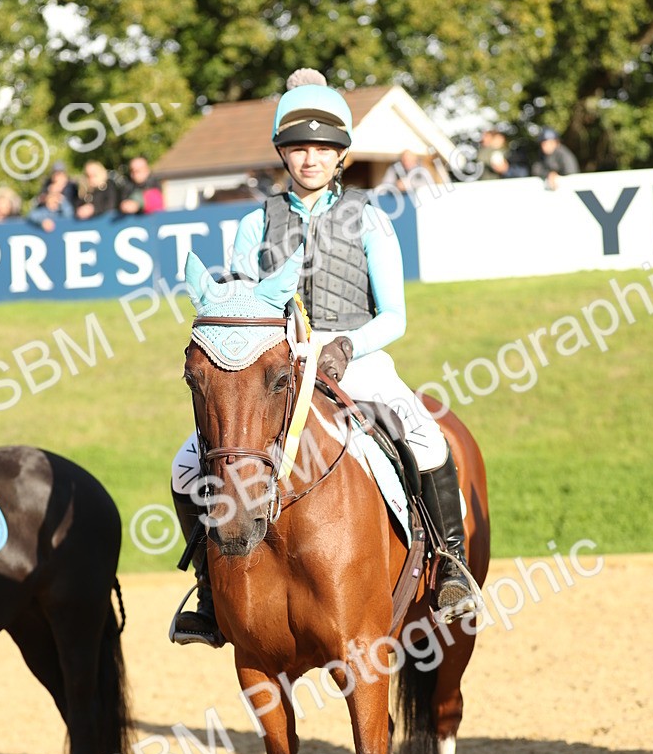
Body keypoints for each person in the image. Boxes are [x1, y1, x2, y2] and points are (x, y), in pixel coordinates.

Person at [170, 68, 482, 647]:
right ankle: (211, 594)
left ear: (341, 156)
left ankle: (448, 568)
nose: (308, 158)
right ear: (282, 154)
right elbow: (240, 303)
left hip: (355, 359)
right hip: (276, 367)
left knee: (427, 439)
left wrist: (344, 345)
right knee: (187, 464)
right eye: (296, 148)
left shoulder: (368, 217)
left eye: (321, 148)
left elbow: (395, 316)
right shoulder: (252, 223)